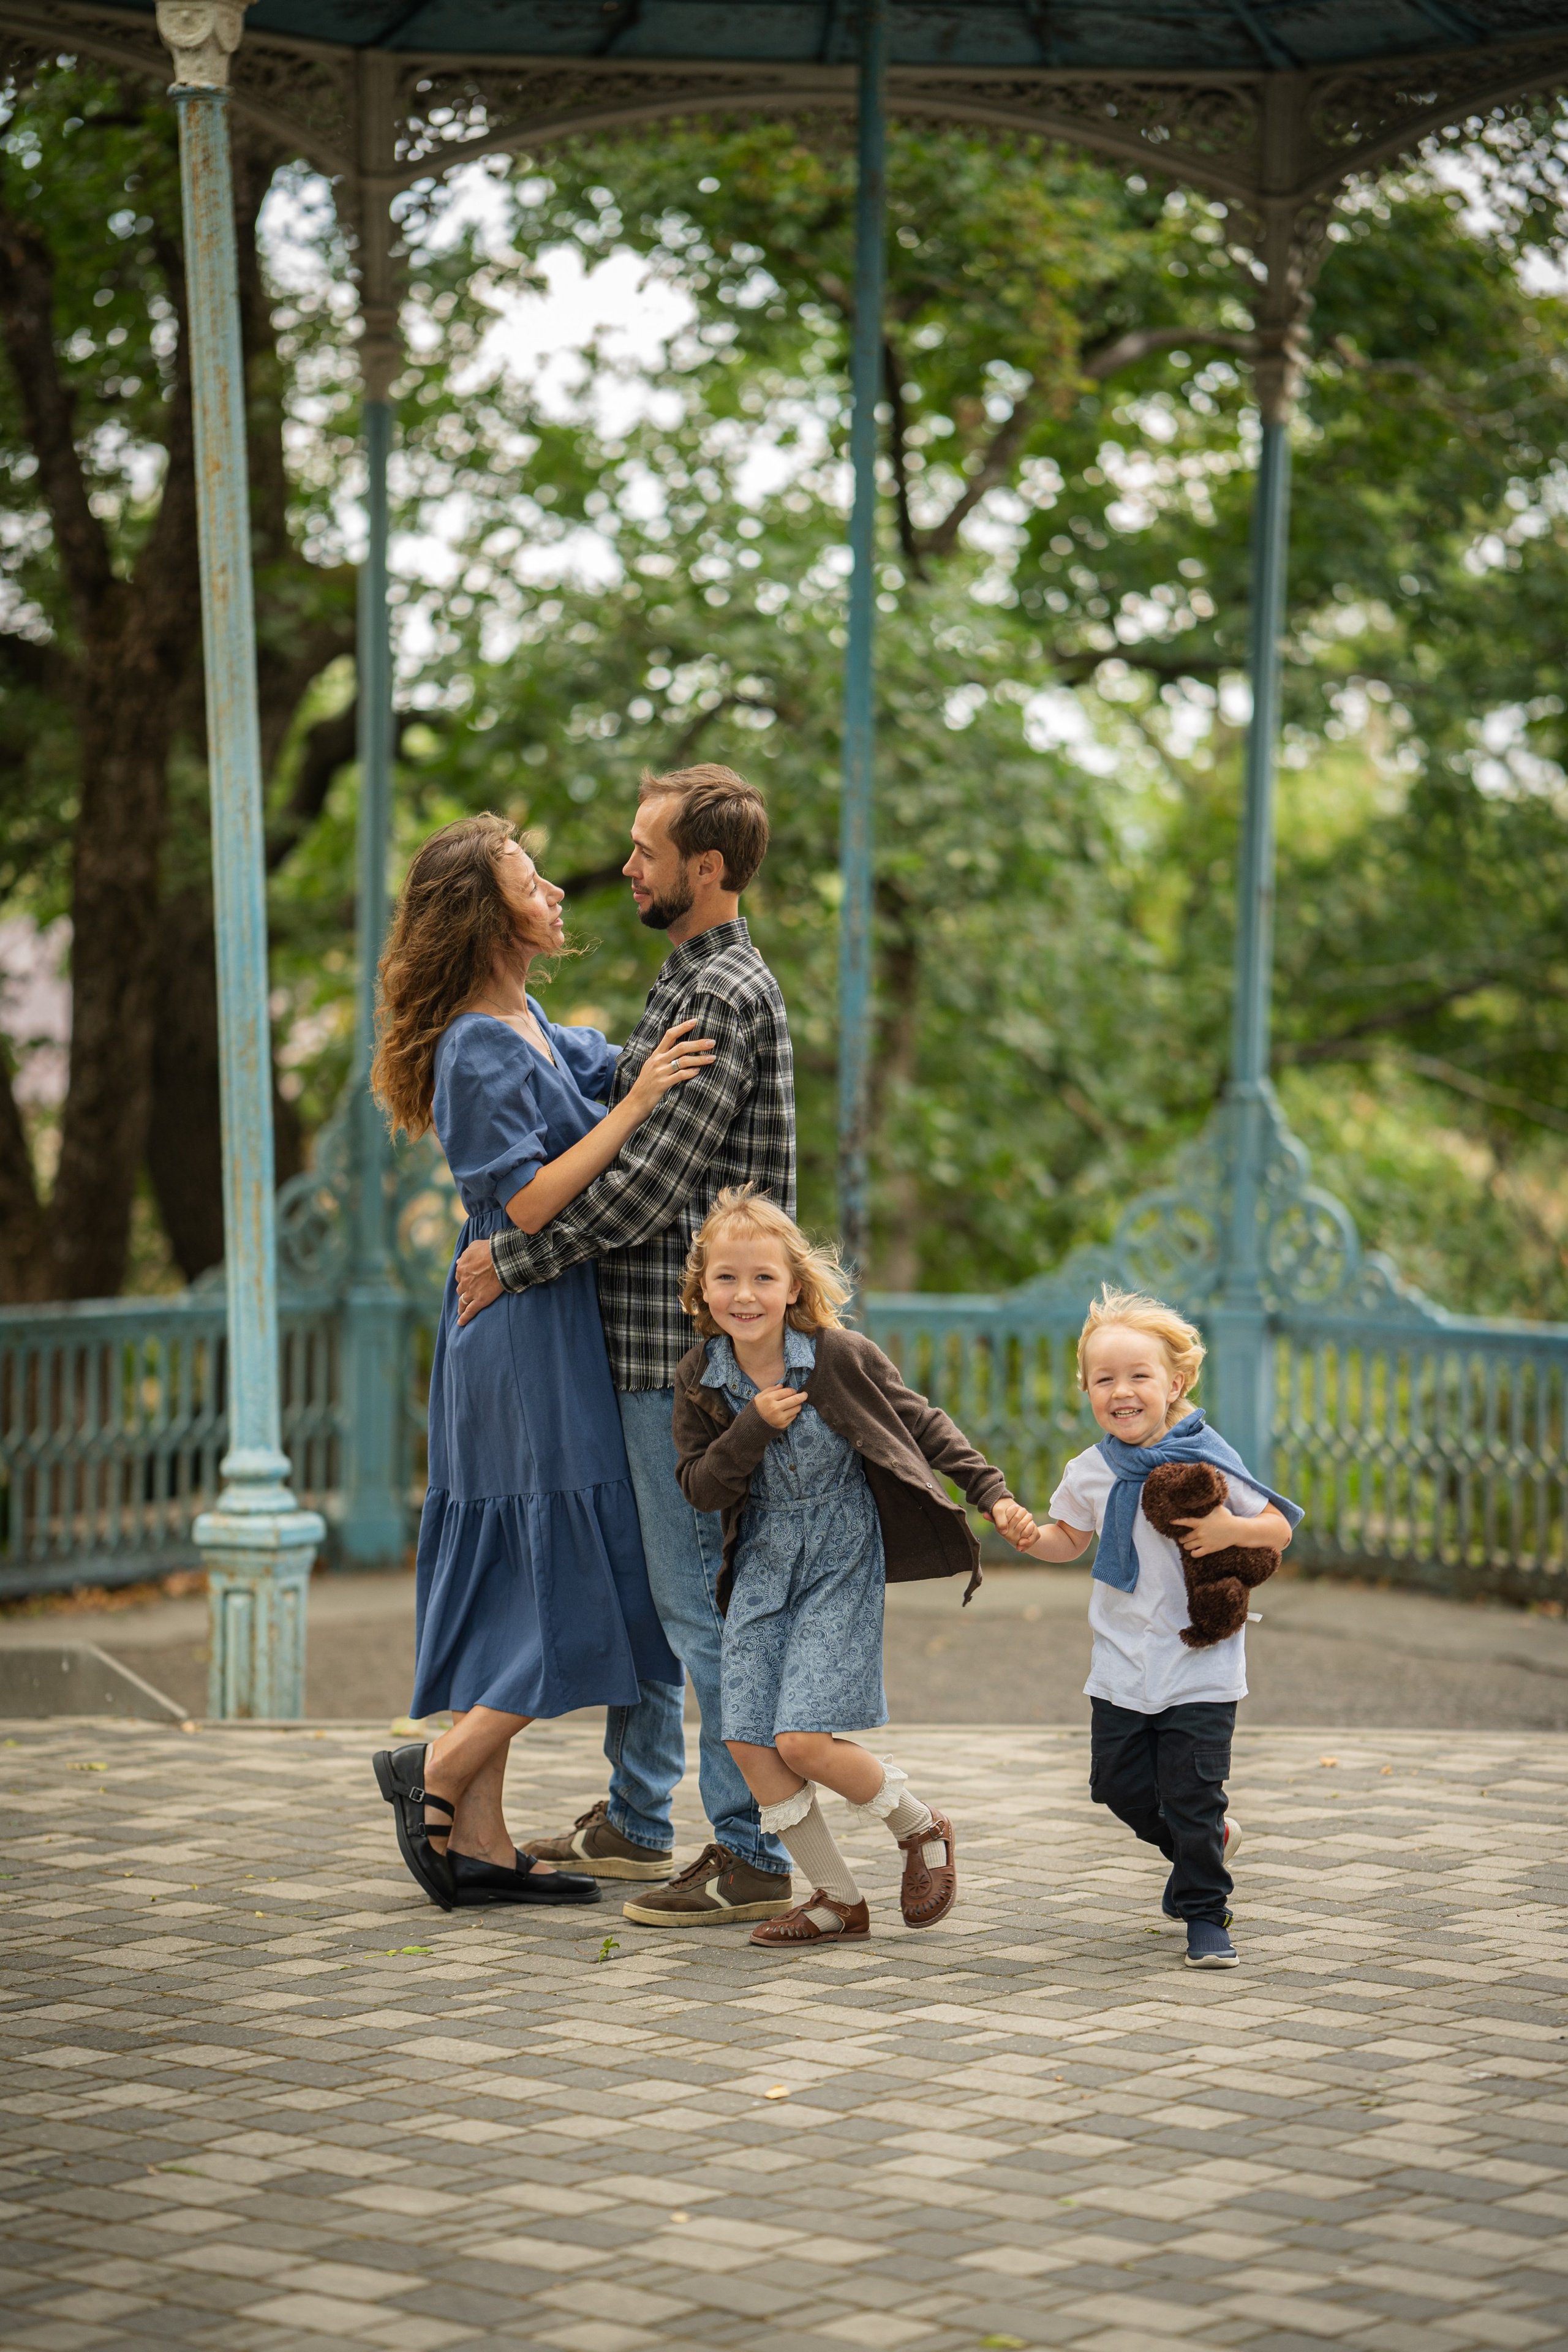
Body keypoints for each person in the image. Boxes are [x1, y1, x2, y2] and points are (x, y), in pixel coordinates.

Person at [451, 766, 798, 1926]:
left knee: (698, 1607)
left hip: (680, 1353)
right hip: (632, 1346)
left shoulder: (724, 998)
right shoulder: (679, 983)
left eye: (646, 851)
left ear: (707, 869)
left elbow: (649, 1190)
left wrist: (515, 1258)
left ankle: (747, 1849)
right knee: (658, 1598)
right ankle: (638, 1819)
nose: (625, 867)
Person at [367, 813, 701, 1913]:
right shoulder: (473, 1044)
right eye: (531, 880)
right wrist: (644, 1100)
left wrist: (655, 1055)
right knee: (563, 1570)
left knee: (525, 1566)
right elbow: (529, 1199)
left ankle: (485, 1845)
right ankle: (442, 1771)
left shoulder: (536, 1021)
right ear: (485, 912)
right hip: (516, 1330)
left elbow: (616, 1073)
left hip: (545, 1315)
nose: (556, 892)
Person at [671, 1185, 1032, 1947]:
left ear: (794, 1285)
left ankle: (921, 1827)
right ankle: (837, 1900)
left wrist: (991, 1494)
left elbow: (921, 1422)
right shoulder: (700, 1379)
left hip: (840, 1556)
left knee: (800, 1740)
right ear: (701, 1288)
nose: (745, 1294)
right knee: (745, 1738)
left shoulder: (837, 1356)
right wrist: (749, 1428)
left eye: (763, 1278)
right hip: (763, 1563)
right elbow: (701, 1489)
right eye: (726, 1278)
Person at [994, 1287, 1302, 1970]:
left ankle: (1204, 1912)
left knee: (1192, 1794)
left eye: (1139, 1376)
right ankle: (1205, 1844)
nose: (1122, 1391)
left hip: (1201, 1661)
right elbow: (1068, 1539)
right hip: (1122, 1661)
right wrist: (1027, 1535)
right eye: (1104, 1379)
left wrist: (1229, 1528)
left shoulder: (1206, 1457)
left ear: (1175, 1382)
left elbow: (1278, 1526)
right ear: (1086, 1390)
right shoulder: (1091, 1470)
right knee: (1118, 1785)